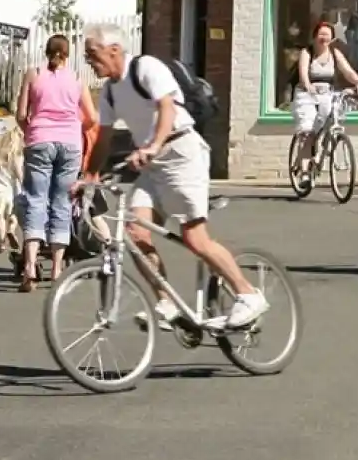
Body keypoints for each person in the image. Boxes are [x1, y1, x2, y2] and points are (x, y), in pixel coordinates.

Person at [78, 26, 268, 328]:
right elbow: (104, 136)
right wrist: (89, 177)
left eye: (92, 53)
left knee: (195, 238)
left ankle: (247, 294)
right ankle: (166, 302)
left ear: (113, 49)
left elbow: (166, 107)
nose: (88, 60)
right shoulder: (111, 92)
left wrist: (153, 144)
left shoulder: (147, 67)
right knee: (135, 232)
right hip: (152, 166)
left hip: (181, 153)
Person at [15, 32, 96, 292]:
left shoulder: (33, 73)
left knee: (35, 200)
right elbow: (92, 117)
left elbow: (20, 113)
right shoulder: (76, 78)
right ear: (67, 53)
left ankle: (29, 266)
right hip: (70, 142)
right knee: (62, 202)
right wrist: (73, 126)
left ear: (46, 51)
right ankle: (58, 268)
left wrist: (31, 130)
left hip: (39, 139)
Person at [289, 20, 358, 182]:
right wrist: (308, 85)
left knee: (330, 123)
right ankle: (304, 171)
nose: (324, 38)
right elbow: (303, 74)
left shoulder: (335, 53)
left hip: (326, 94)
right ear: (314, 36)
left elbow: (347, 70)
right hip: (306, 95)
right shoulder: (307, 52)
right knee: (308, 131)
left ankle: (318, 158)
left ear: (332, 39)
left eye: (327, 35)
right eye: (321, 34)